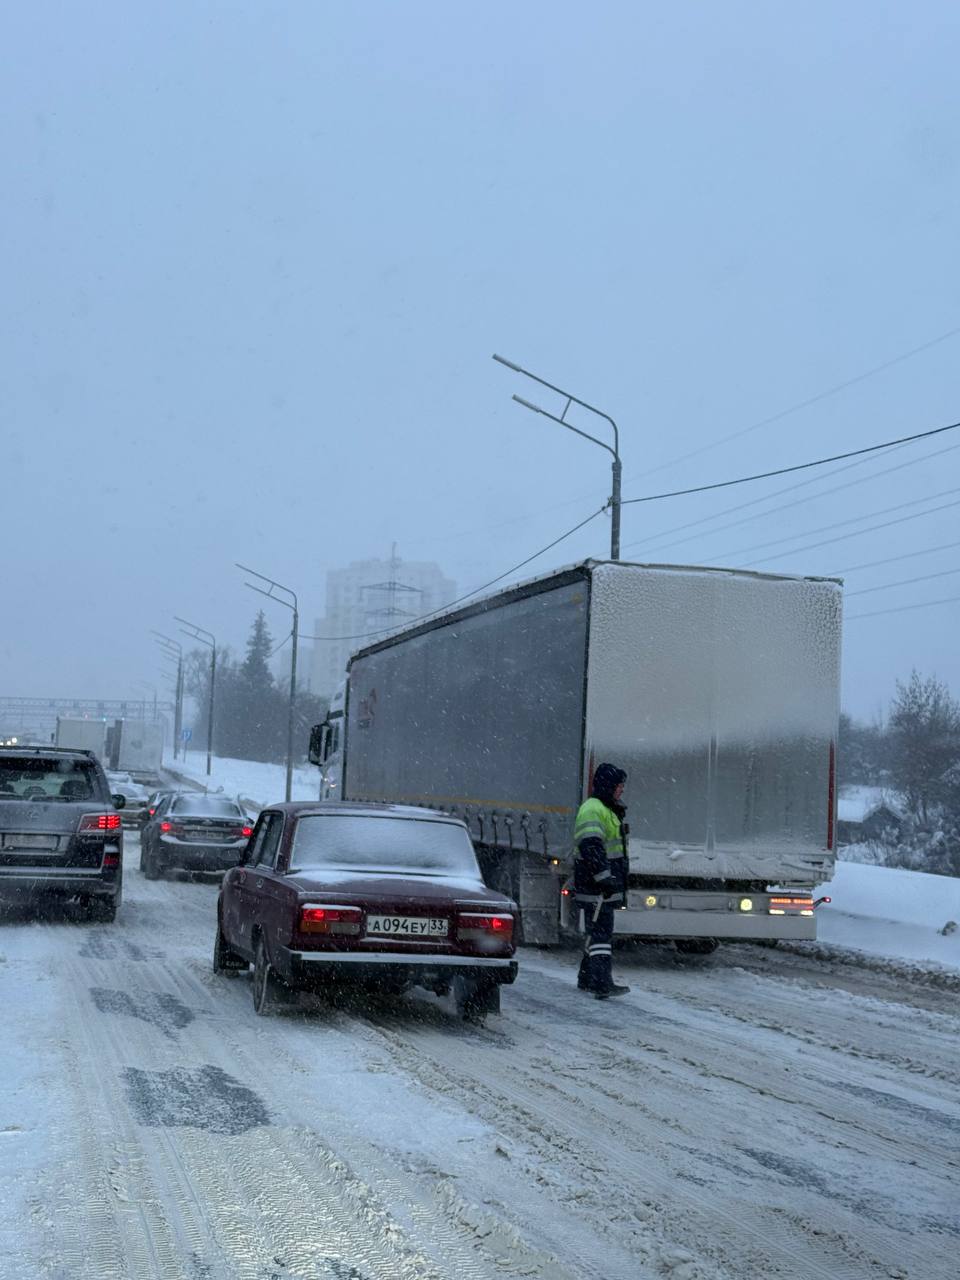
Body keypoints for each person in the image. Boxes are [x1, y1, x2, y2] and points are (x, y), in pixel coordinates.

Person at [573, 763, 631, 999]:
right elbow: (591, 847)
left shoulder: (604, 808)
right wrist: (604, 878)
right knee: (601, 935)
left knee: (596, 931)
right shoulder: (594, 810)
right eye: (619, 785)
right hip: (596, 886)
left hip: (599, 884)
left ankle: (586, 977)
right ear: (608, 786)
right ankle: (601, 982)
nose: (622, 790)